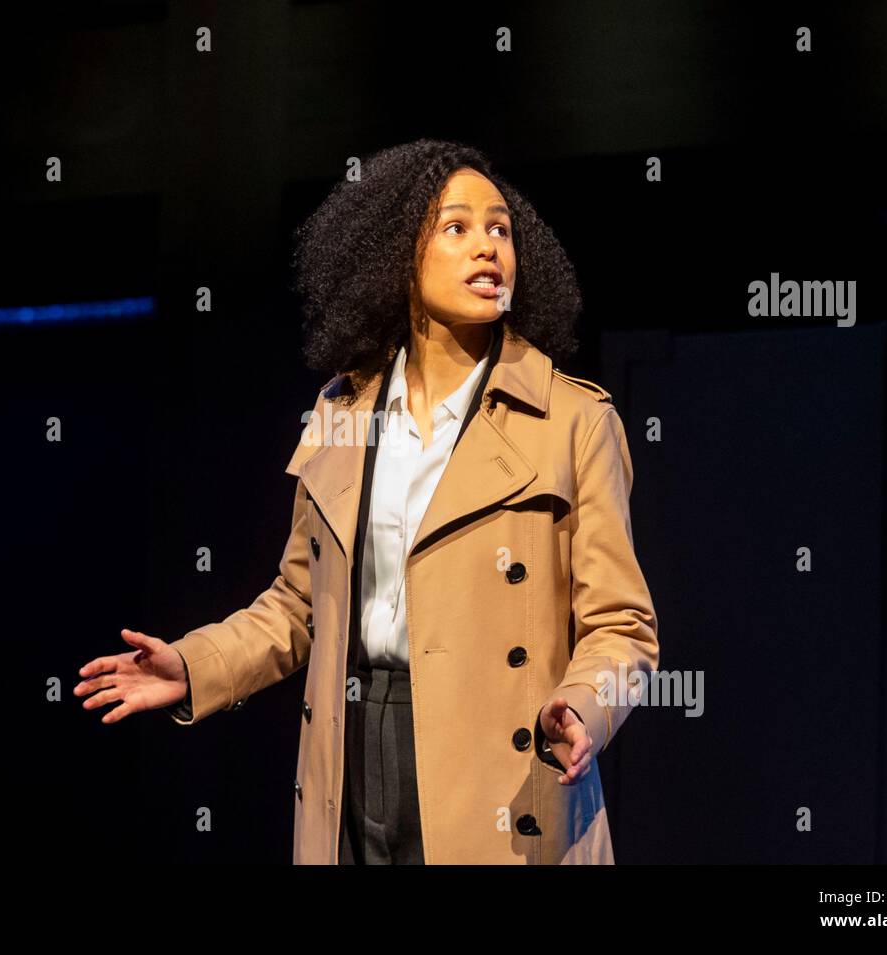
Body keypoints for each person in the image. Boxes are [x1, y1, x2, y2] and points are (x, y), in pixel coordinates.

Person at [75, 139, 659, 864]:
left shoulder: (573, 421)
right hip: (352, 749)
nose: (488, 246)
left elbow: (622, 626)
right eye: (458, 227)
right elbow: (297, 606)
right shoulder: (343, 411)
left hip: (504, 766)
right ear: (397, 257)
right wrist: (196, 666)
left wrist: (587, 706)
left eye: (501, 229)